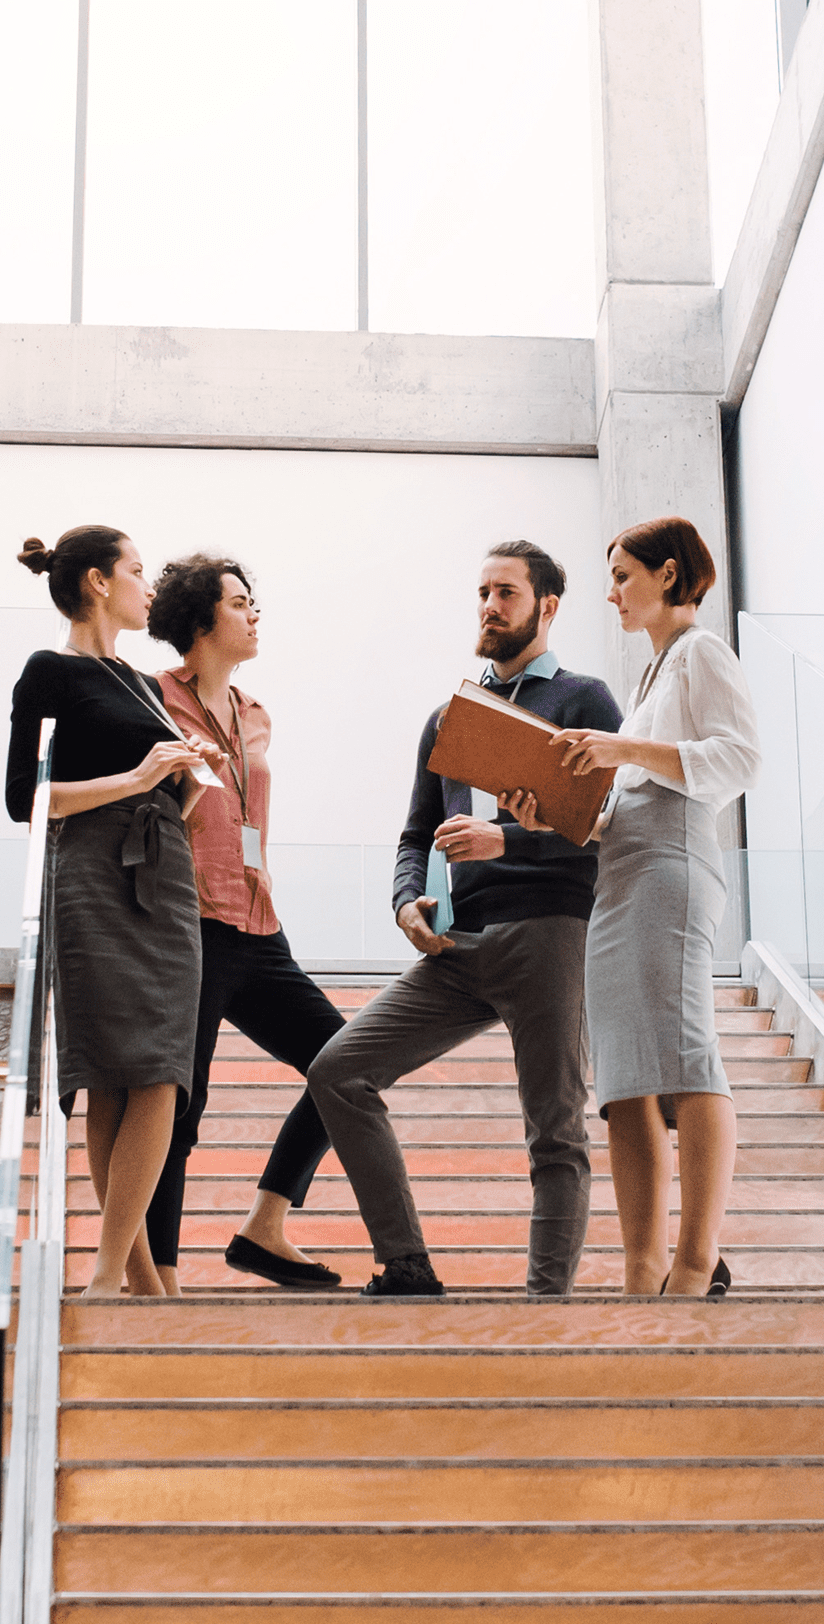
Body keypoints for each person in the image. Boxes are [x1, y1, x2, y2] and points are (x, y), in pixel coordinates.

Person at [307, 541, 622, 1298]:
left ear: (546, 606)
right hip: (455, 941)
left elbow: (605, 820)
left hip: (548, 929)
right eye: (482, 591)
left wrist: (505, 837)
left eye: (506, 593)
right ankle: (406, 1263)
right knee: (339, 1071)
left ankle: (546, 1305)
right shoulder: (448, 716)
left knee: (555, 1129)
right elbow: (416, 834)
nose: (488, 605)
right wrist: (403, 900)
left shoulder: (585, 700)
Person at [513, 517, 758, 1297]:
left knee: (686, 1058)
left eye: (624, 575)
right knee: (624, 1084)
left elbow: (739, 759)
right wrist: (547, 814)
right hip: (620, 877)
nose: (613, 592)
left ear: (668, 574)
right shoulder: (656, 672)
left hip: (670, 868)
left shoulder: (700, 653)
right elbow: (620, 807)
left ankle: (693, 1263)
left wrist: (620, 751)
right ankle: (641, 1270)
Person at [4, 526, 219, 1299]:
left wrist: (188, 776)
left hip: (164, 872)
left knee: (162, 1071)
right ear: (97, 582)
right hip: (91, 869)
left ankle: (127, 1279)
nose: (147, 586)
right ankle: (116, 1276)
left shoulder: (139, 680)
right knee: (110, 1076)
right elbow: (23, 800)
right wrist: (138, 777)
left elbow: (161, 789)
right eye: (135, 571)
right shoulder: (48, 670)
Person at [146, 553, 348, 1291]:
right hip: (187, 924)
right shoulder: (150, 700)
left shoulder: (256, 712)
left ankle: (265, 1226)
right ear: (201, 621)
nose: (254, 613)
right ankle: (158, 1277)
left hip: (259, 926)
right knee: (177, 1105)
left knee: (348, 1063)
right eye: (239, 602)